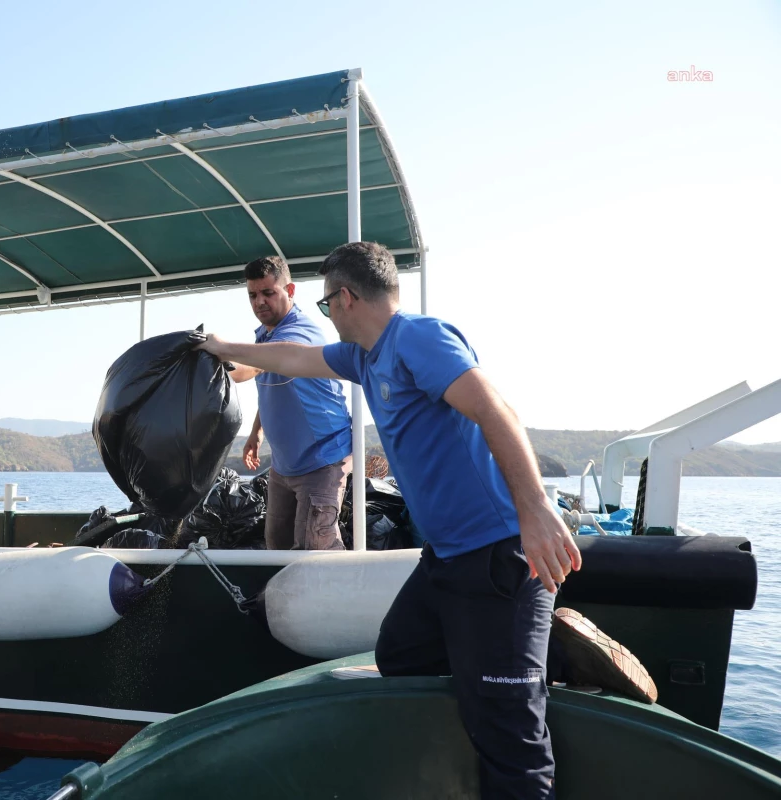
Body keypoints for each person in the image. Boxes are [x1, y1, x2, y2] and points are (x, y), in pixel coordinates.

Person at [196, 242, 657, 799]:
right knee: (400, 655)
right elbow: (291, 360)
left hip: (500, 554)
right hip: (444, 558)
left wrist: (535, 510)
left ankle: (525, 657)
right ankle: (549, 648)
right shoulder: (364, 357)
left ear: (344, 299)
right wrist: (218, 346)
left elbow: (493, 408)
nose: (324, 316)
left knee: (508, 732)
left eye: (323, 305)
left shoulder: (419, 337)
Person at [230, 256, 353, 551]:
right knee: (276, 548)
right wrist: (256, 434)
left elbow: (253, 368)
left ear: (291, 291)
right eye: (252, 295)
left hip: (322, 460)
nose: (259, 301)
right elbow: (273, 387)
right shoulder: (264, 336)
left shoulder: (300, 332)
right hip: (283, 467)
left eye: (268, 293)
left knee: (314, 550)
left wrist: (218, 364)